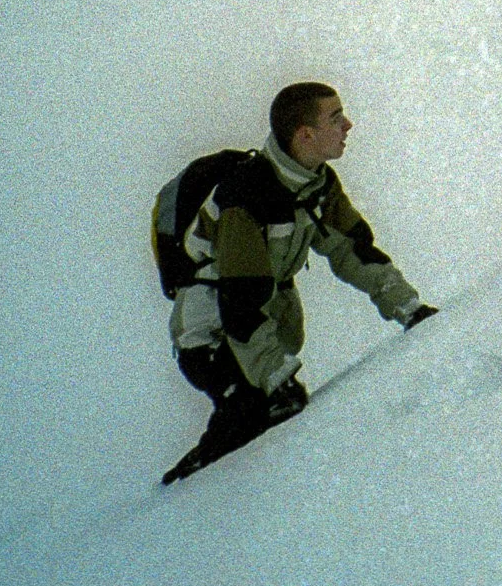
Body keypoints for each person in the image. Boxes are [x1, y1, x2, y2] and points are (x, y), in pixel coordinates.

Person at [163, 83, 436, 483]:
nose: (348, 124)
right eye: (335, 117)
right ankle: (189, 497)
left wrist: (408, 307)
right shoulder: (245, 198)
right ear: (305, 134)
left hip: (267, 323)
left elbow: (353, 253)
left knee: (267, 425)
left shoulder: (317, 186)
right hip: (211, 333)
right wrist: (277, 376)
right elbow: (241, 303)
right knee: (247, 415)